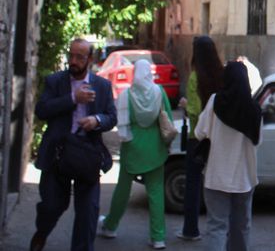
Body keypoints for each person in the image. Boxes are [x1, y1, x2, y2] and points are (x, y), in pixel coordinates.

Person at [29, 38, 117, 251]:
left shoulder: (102, 86)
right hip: (57, 155)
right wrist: (72, 98)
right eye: (71, 55)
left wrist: (96, 121)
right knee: (51, 206)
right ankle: (41, 233)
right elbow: (42, 110)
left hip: (87, 155)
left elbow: (111, 117)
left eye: (79, 57)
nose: (74, 61)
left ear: (90, 59)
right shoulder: (55, 82)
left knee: (88, 214)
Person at [98, 59, 173, 249]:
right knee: (156, 192)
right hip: (155, 147)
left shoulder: (127, 96)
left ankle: (111, 225)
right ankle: (158, 237)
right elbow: (168, 120)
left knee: (123, 189)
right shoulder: (159, 92)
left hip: (132, 146)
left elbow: (121, 122)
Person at [194, 60, 261, 251]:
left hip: (216, 176)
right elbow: (258, 141)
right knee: (241, 227)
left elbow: (200, 132)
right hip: (244, 178)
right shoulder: (254, 109)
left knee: (217, 226)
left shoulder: (215, 102)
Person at [176, 35, 226, 241]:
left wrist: (185, 104)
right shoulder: (222, 75)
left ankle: (190, 229)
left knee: (193, 185)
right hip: (219, 136)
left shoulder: (196, 77)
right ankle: (221, 227)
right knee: (218, 184)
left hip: (197, 138)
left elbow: (196, 111)